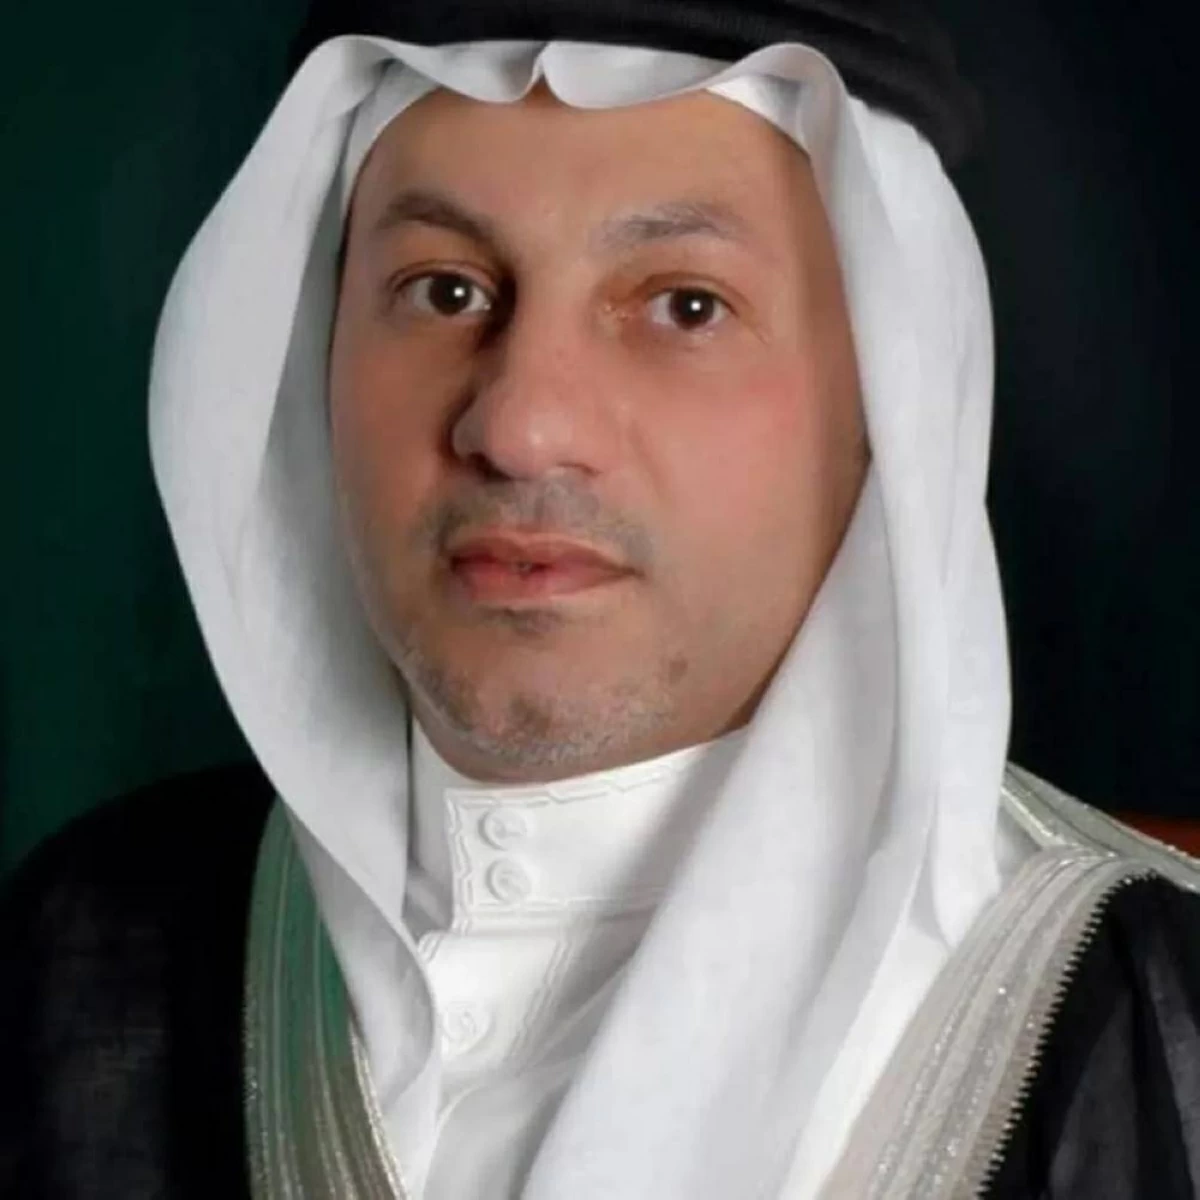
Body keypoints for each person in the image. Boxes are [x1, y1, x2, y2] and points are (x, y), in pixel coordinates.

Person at [3, 2, 1200, 1197]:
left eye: (686, 306)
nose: (520, 427)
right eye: (444, 292)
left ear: (887, 403)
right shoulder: (85, 953)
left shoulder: (1162, 1023)